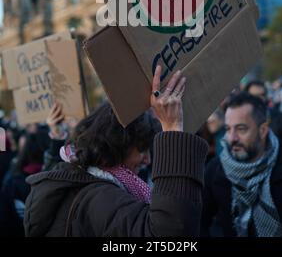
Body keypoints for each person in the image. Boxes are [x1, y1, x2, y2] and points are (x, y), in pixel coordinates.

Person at [24, 67, 208, 237]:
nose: (147, 160)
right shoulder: (98, 200)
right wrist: (173, 129)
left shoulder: (79, 178)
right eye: (142, 149)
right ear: (117, 145)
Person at [201, 92, 282, 237]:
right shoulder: (216, 170)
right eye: (228, 129)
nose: (232, 138)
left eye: (241, 129)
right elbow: (200, 222)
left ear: (263, 130)